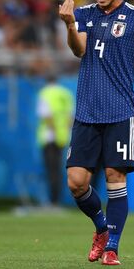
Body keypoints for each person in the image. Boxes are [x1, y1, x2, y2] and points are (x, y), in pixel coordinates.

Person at [58, 0, 134, 266]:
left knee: (115, 176)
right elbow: (79, 50)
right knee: (76, 182)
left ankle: (112, 247)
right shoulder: (85, 14)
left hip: (120, 111)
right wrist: (69, 25)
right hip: (87, 112)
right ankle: (101, 229)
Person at [36, 73, 74, 205]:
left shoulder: (45, 93)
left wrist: (55, 132)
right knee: (58, 170)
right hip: (63, 137)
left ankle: (53, 201)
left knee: (51, 170)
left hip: (50, 137)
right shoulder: (65, 93)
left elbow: (47, 116)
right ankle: (57, 199)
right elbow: (70, 117)